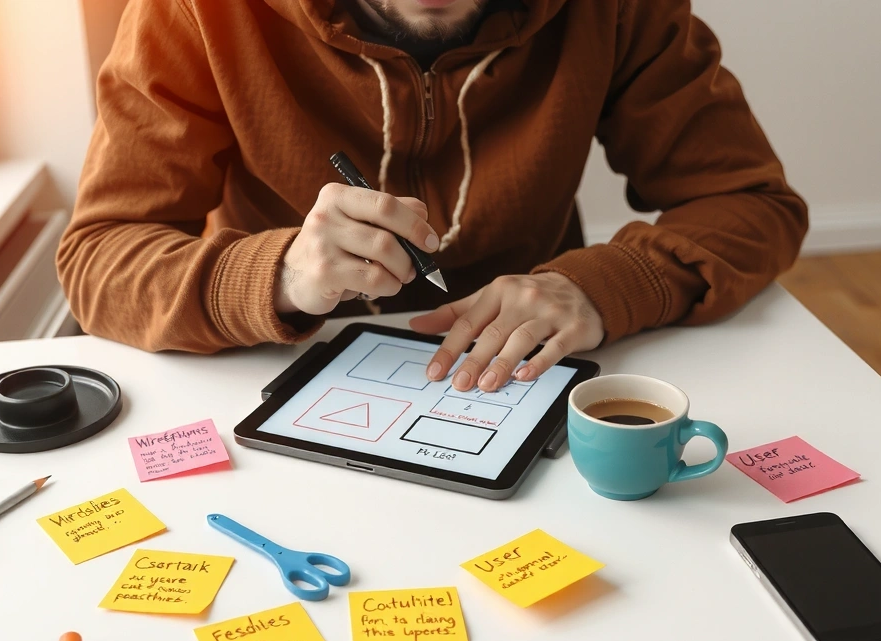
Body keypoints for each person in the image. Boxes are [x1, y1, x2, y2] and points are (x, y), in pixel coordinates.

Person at [58, 0, 807, 393]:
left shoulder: (615, 8)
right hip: (265, 369)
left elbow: (752, 203)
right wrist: (278, 274)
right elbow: (99, 257)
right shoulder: (196, 8)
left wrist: (603, 285)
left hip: (526, 372)